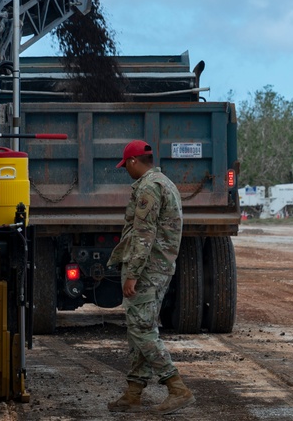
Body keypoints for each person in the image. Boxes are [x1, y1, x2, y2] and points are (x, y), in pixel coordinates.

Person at [106, 140, 195, 415]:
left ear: (134, 161)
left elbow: (144, 234)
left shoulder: (148, 187)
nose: (126, 171)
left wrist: (132, 274)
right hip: (159, 267)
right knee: (140, 328)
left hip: (148, 270)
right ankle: (134, 393)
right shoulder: (165, 182)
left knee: (142, 330)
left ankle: (176, 387)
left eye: (126, 166)